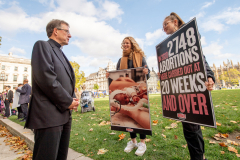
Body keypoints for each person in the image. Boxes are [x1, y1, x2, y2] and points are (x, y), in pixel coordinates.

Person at [159, 12, 215, 160]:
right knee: (188, 125)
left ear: (175, 22)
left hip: (192, 86)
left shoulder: (189, 37)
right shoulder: (169, 47)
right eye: (162, 26)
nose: (164, 28)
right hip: (181, 89)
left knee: (192, 126)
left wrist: (209, 76)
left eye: (166, 24)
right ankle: (198, 156)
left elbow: (200, 58)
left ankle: (198, 157)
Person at [25, 19, 79, 160]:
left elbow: (65, 80)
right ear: (56, 31)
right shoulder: (42, 46)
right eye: (67, 31)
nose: (70, 35)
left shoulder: (61, 53)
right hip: (48, 115)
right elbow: (46, 78)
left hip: (64, 114)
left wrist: (72, 99)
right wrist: (68, 101)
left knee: (61, 156)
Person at [106, 36, 150, 156]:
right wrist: (109, 76)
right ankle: (133, 142)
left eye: (127, 43)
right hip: (127, 90)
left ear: (132, 44)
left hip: (138, 86)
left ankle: (142, 143)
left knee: (140, 112)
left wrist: (147, 73)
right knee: (130, 121)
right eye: (123, 43)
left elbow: (148, 74)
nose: (125, 45)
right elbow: (117, 75)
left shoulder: (140, 57)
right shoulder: (121, 60)